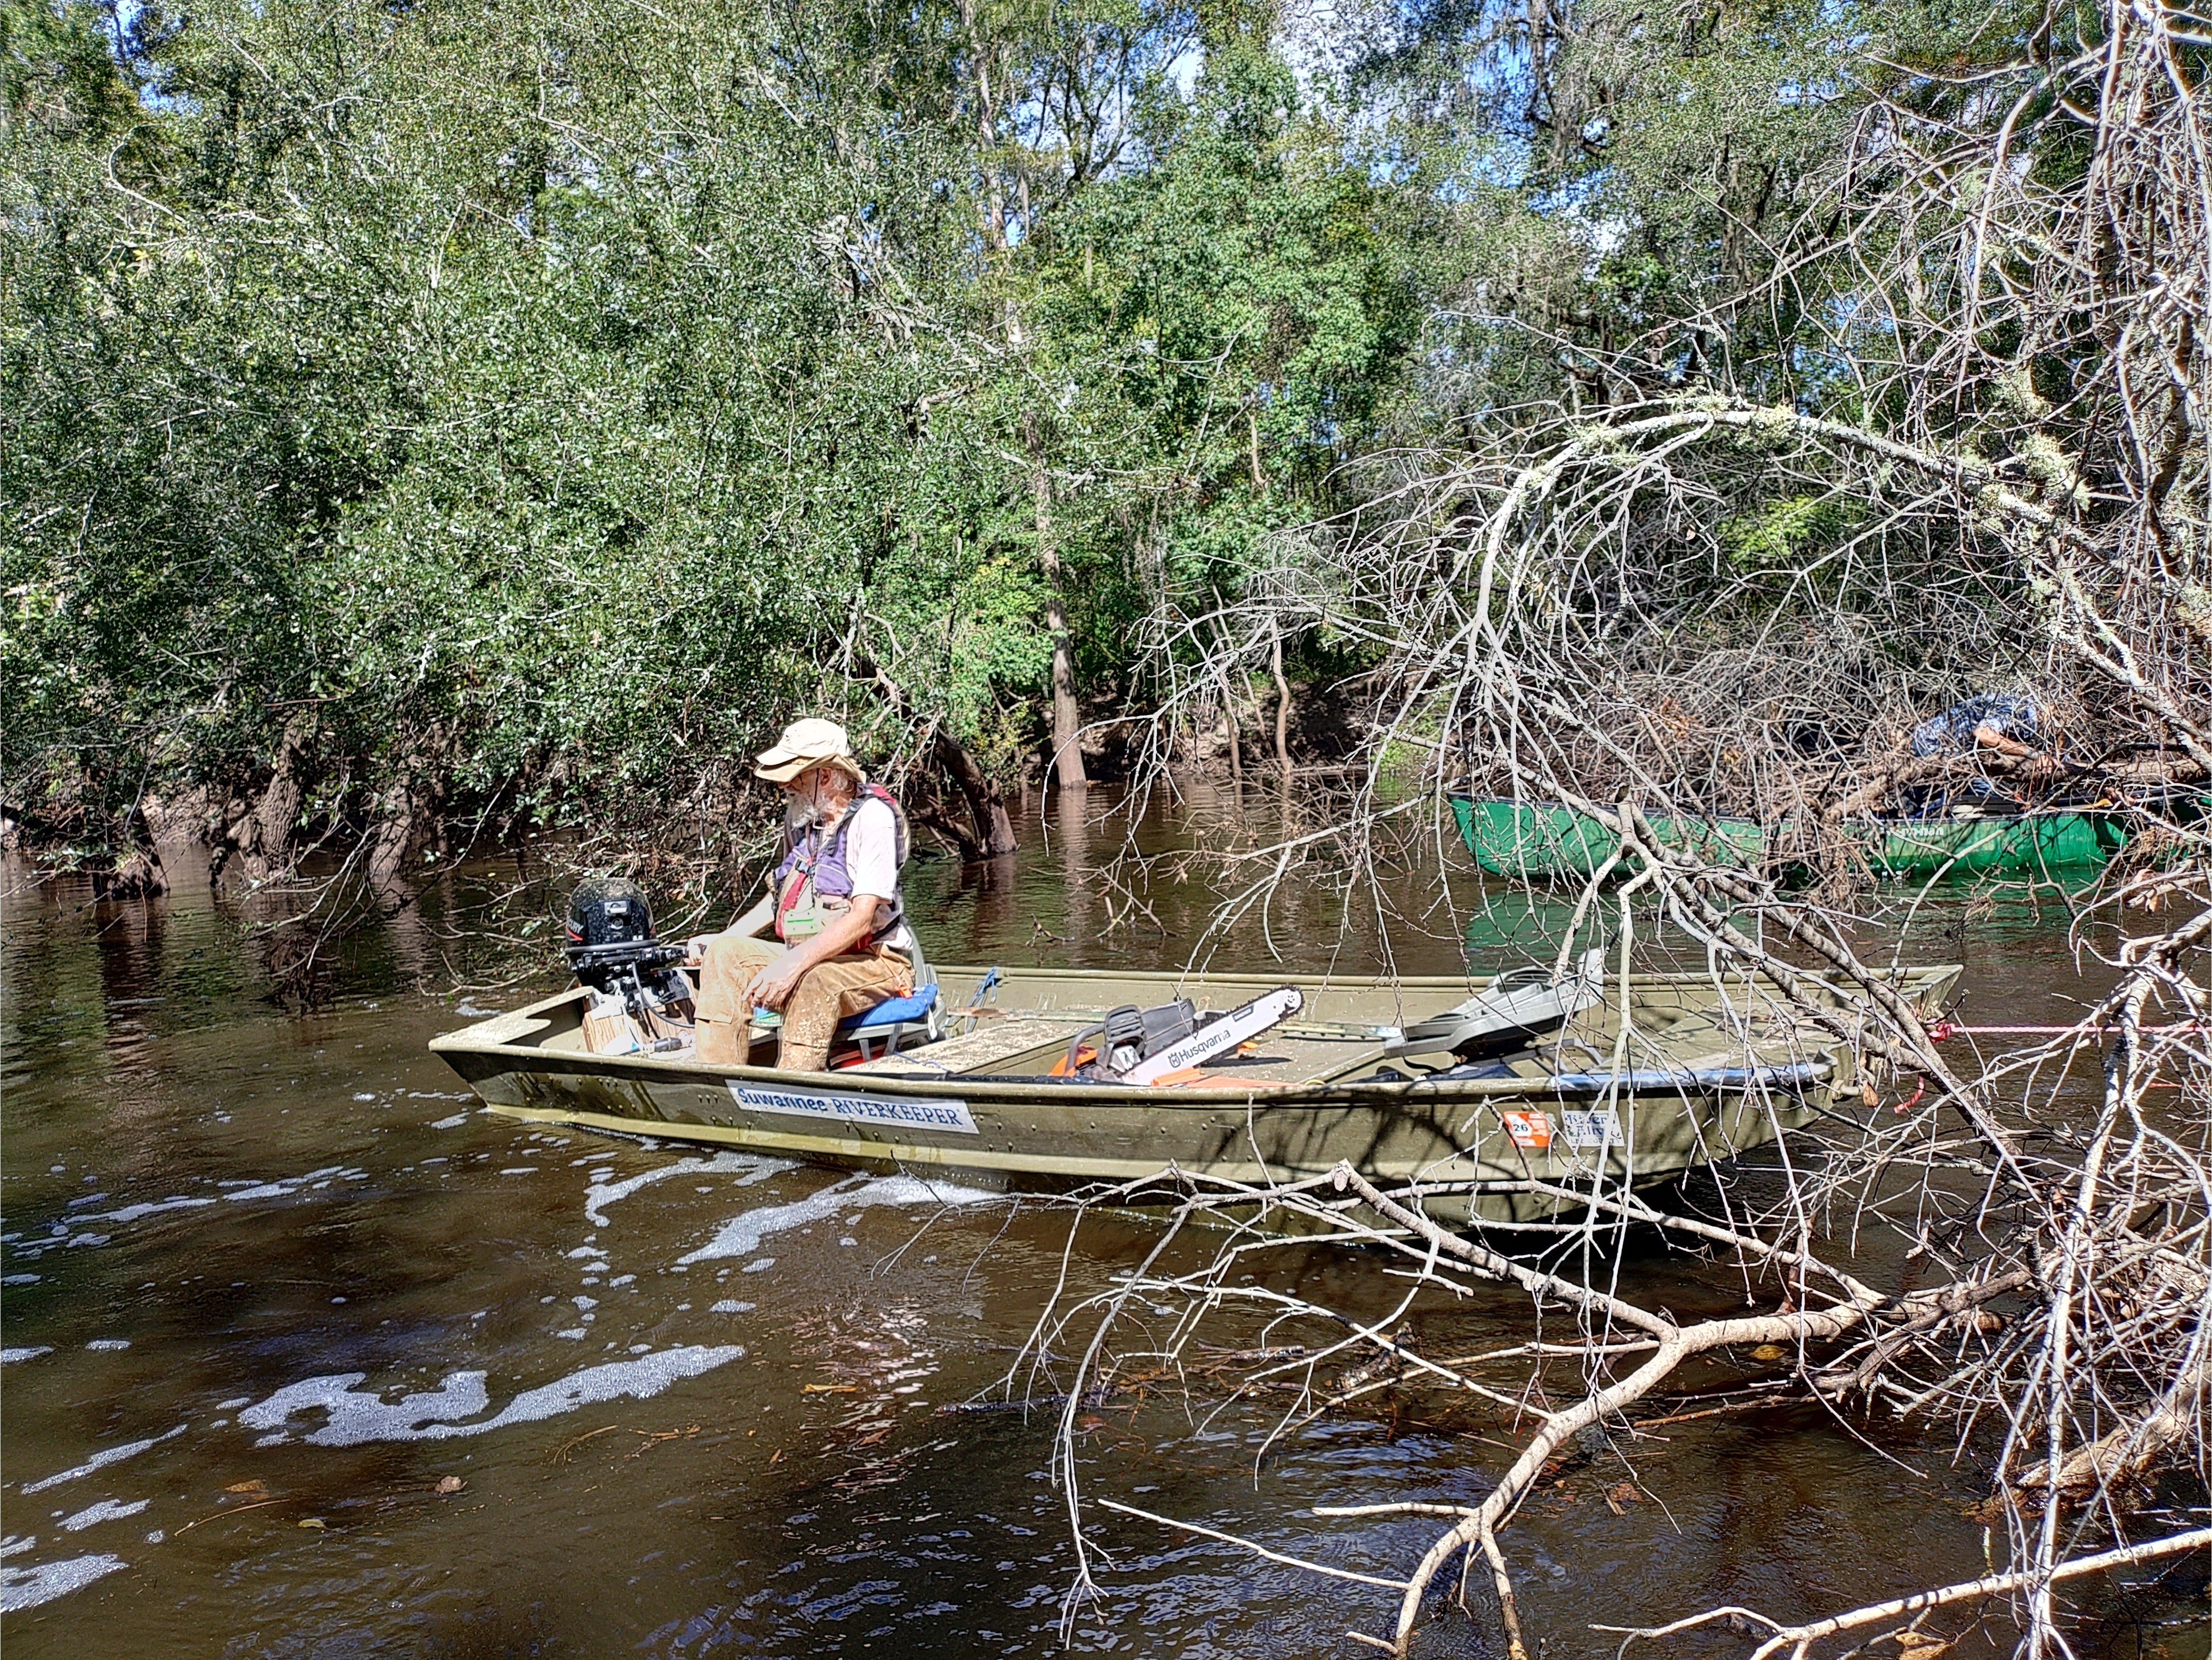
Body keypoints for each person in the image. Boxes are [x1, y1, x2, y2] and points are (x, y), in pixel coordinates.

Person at [688, 719, 916, 1070]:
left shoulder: (873, 819)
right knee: (725, 955)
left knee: (814, 980)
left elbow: (862, 920)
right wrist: (722, 937)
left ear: (825, 776)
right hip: (811, 950)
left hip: (877, 960)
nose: (783, 784)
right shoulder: (802, 818)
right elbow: (782, 898)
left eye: (795, 775)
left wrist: (792, 966)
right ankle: (719, 1083)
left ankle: (792, 1091)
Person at [1905, 692, 2062, 811]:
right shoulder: (2019, 710)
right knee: (1986, 789)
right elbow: (1983, 733)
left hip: (1941, 744)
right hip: (1933, 744)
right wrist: (2033, 754)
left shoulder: (2022, 707)